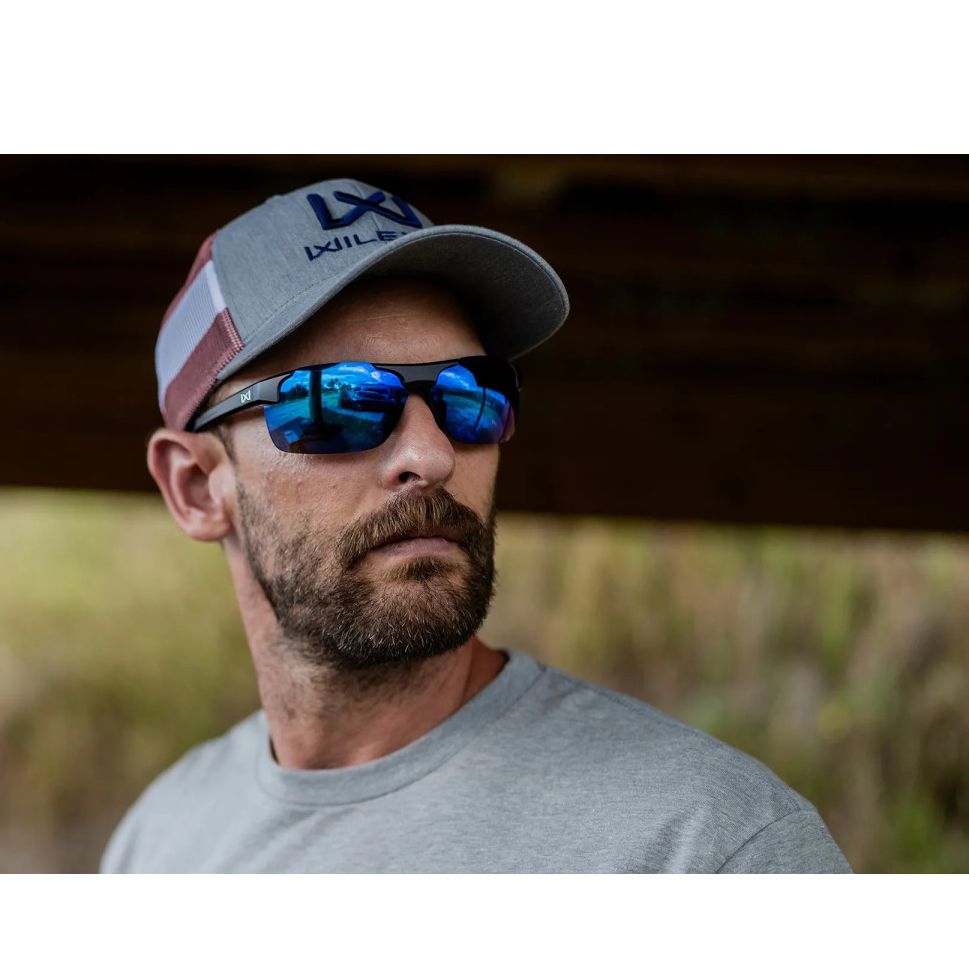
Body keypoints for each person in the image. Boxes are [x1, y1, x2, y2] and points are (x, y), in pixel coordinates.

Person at [101, 177, 851, 873]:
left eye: (470, 396)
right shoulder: (160, 844)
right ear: (196, 487)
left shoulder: (710, 846)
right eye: (338, 402)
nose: (431, 456)